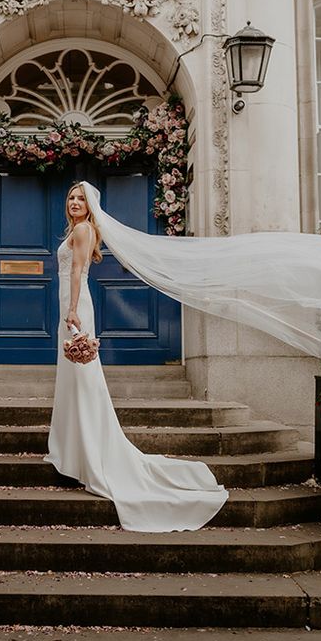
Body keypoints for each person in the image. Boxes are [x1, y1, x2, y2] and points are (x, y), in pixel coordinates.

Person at [43, 182, 230, 532]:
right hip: (70, 308)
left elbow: (76, 273)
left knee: (83, 380)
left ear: (90, 206)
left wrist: (71, 311)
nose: (74, 202)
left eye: (81, 198)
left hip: (75, 309)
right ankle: (72, 448)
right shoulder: (78, 230)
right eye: (70, 197)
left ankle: (86, 453)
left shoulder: (83, 230)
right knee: (74, 379)